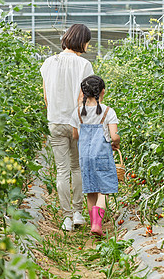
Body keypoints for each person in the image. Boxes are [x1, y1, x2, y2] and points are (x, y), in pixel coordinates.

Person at [40, 24, 94, 231]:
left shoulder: (48, 63)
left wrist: (55, 113)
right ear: (82, 41)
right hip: (77, 122)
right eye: (87, 41)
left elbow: (46, 96)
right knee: (77, 168)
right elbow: (84, 97)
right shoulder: (84, 65)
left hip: (55, 121)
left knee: (61, 171)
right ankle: (79, 213)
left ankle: (66, 218)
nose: (88, 45)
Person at [70, 75, 120, 236]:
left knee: (91, 190)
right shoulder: (108, 112)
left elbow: (75, 136)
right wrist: (116, 143)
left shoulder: (77, 112)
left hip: (85, 156)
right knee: (103, 191)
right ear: (103, 91)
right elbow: (114, 136)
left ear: (83, 93)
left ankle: (94, 223)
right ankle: (97, 225)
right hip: (102, 155)